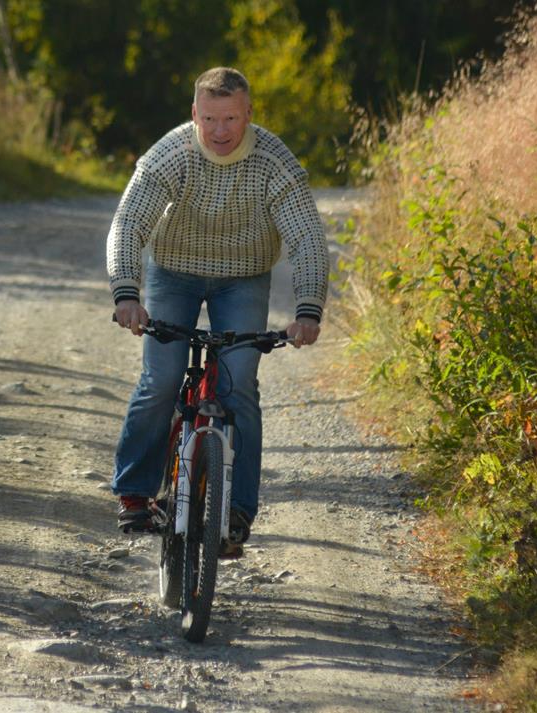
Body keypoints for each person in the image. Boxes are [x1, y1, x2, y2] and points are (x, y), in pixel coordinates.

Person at [106, 67, 328, 555]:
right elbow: (129, 222)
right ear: (194, 115)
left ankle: (237, 510)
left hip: (243, 277)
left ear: (248, 113)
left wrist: (308, 308)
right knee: (162, 378)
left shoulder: (274, 161)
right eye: (210, 118)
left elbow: (307, 238)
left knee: (238, 383)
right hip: (173, 272)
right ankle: (135, 491)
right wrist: (126, 291)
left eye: (231, 118)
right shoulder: (170, 154)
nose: (221, 130)